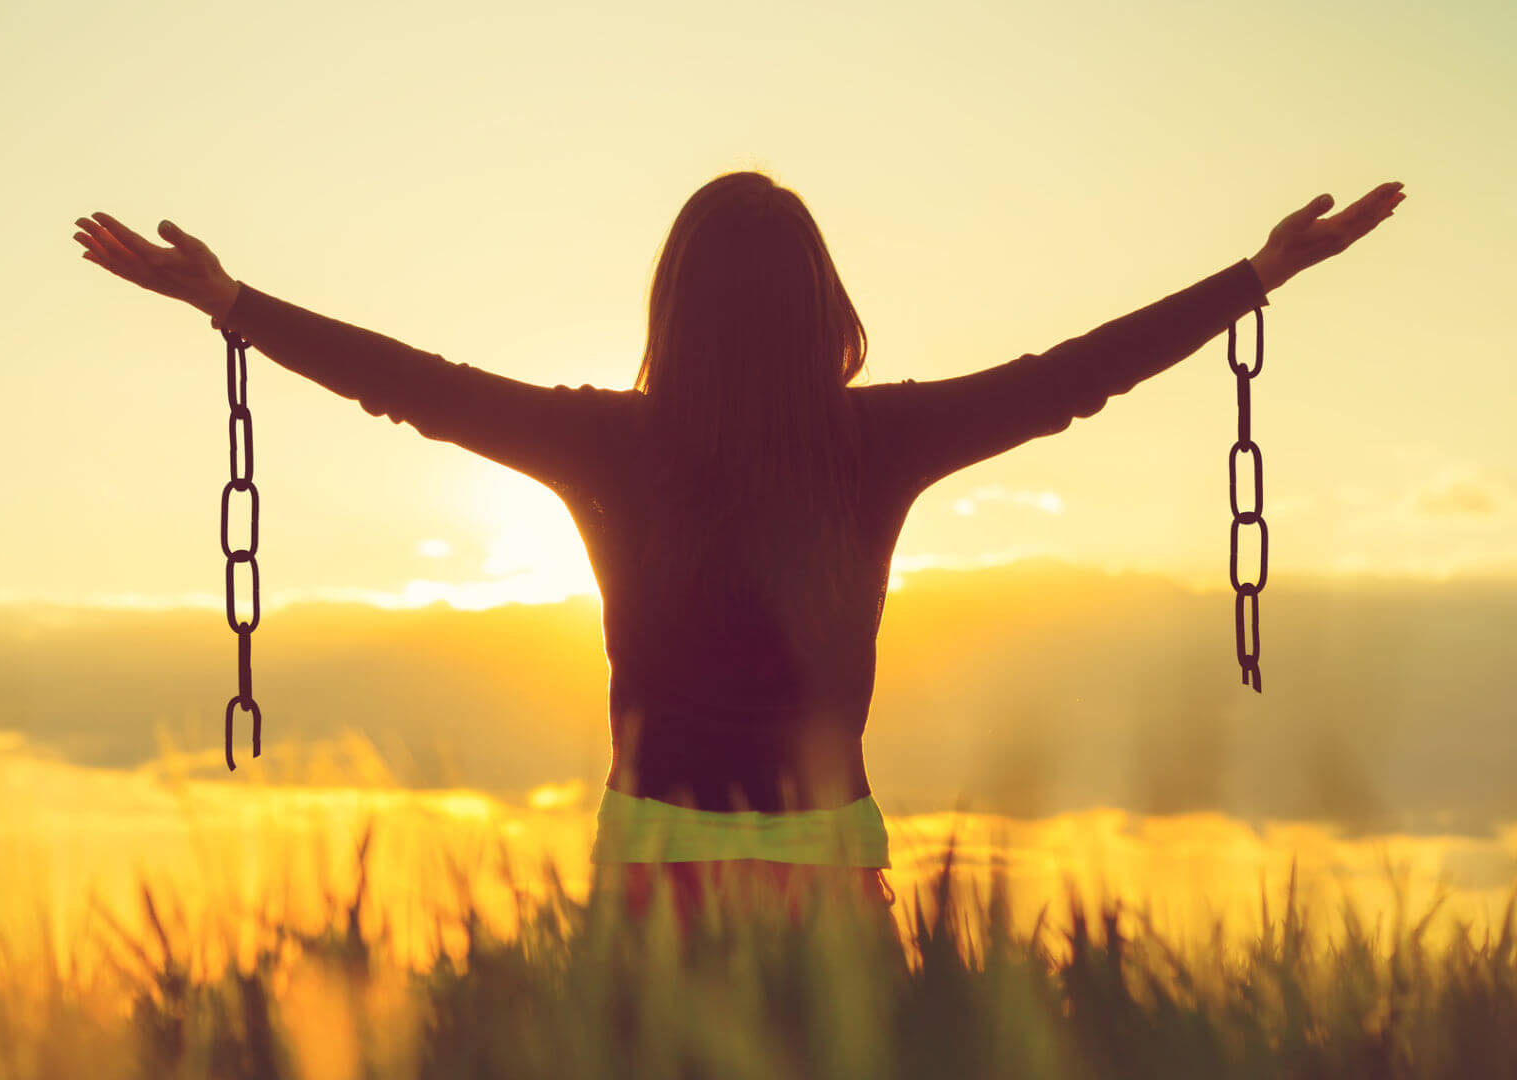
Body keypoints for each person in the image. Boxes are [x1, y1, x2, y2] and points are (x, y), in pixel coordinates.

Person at [73, 171, 1405, 941]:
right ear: (827, 308)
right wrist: (1255, 275)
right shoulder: (874, 443)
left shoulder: (603, 445)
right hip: (828, 865)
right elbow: (1073, 378)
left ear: (671, 308)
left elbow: (409, 385)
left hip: (648, 866)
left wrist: (234, 305)